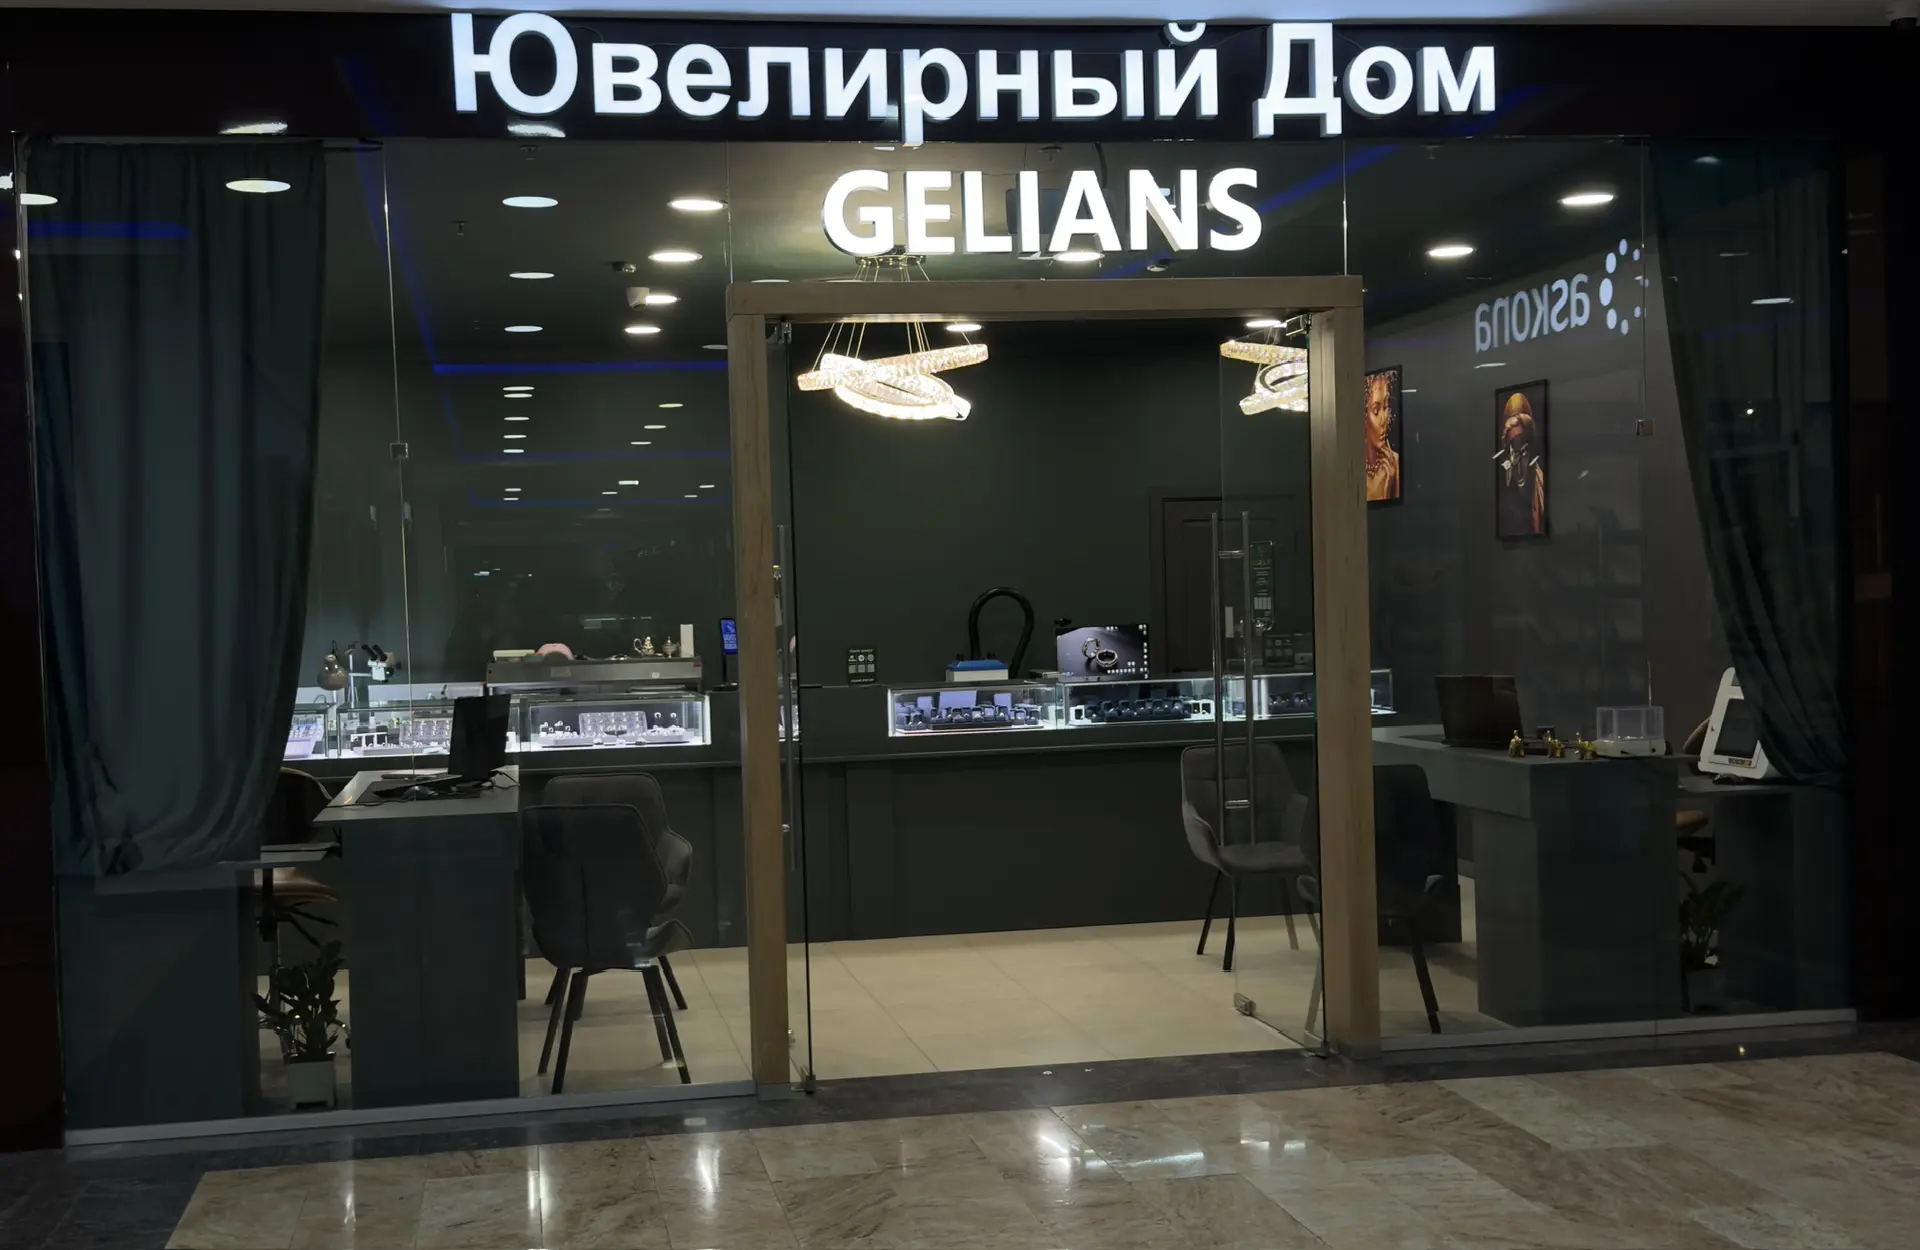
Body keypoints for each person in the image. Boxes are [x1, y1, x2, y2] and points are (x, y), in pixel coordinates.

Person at [1496, 390, 1546, 536]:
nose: (1518, 448)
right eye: (1513, 442)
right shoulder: (1502, 470)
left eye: (1522, 440)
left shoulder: (1538, 477)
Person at [1365, 370, 1401, 502]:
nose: (1383, 420)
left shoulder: (1394, 463)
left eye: (1386, 407)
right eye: (1375, 410)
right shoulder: (1352, 467)